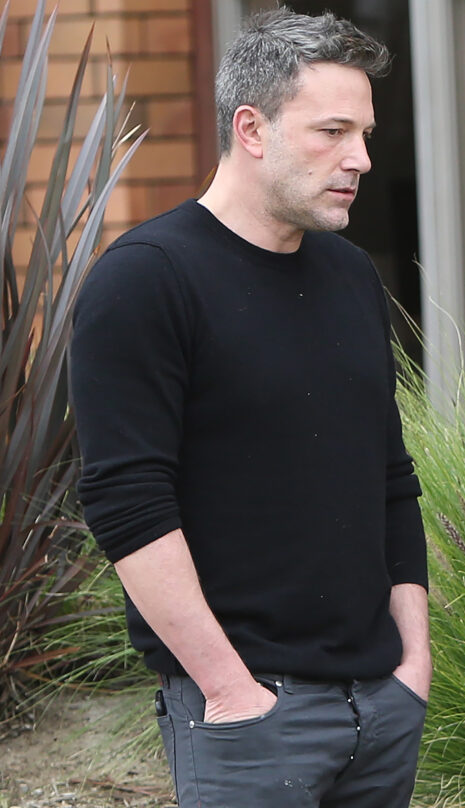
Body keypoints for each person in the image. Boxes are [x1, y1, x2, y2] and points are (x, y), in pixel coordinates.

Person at [70, 9, 430, 808]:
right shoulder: (146, 280)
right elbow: (127, 503)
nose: (361, 158)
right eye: (333, 132)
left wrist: (413, 666)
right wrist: (230, 690)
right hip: (248, 716)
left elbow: (390, 477)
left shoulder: (351, 276)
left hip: (381, 707)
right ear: (251, 129)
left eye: (365, 134)